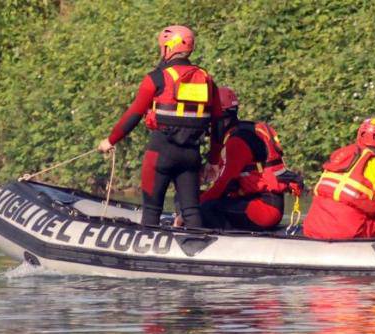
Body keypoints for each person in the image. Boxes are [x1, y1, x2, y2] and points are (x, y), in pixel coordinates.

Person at [97, 25, 222, 228]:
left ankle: (147, 253)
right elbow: (218, 123)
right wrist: (214, 160)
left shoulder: (155, 78)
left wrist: (110, 141)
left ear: (168, 48)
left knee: (152, 209)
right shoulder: (207, 79)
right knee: (191, 210)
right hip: (191, 155)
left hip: (160, 154)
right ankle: (195, 251)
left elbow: (133, 115)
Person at [199, 87, 303, 231]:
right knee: (199, 200)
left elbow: (223, 184)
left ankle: (223, 240)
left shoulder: (237, 141)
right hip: (257, 202)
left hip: (263, 209)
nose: (209, 126)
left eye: (210, 120)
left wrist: (193, 209)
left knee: (206, 207)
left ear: (221, 117)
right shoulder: (242, 132)